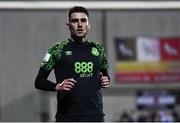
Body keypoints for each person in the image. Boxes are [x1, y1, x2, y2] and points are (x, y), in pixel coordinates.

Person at [34, 6, 110, 122]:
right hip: (67, 117)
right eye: (75, 21)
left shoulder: (98, 49)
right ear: (68, 26)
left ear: (89, 25)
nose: (80, 24)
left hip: (95, 117)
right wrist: (57, 86)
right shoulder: (57, 50)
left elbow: (104, 75)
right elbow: (39, 81)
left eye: (83, 20)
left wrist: (106, 80)